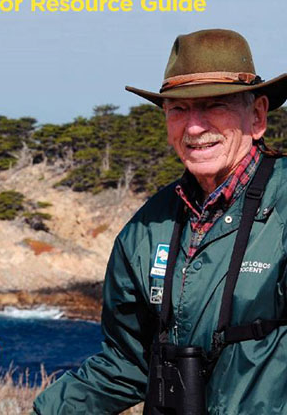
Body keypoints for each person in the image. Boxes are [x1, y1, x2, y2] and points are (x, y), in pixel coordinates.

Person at [32, 29, 287, 415]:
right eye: (179, 109)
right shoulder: (146, 228)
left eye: (215, 106)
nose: (195, 127)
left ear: (257, 116)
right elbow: (125, 365)